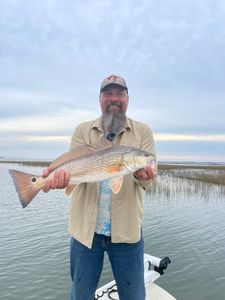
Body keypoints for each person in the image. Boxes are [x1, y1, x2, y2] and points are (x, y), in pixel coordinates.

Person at [42, 74, 157, 300]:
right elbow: (73, 167)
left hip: (127, 234)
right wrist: (59, 179)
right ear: (100, 99)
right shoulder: (82, 131)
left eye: (119, 93)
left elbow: (149, 179)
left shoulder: (143, 132)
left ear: (127, 98)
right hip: (86, 233)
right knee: (80, 294)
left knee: (134, 296)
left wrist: (144, 175)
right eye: (108, 93)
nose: (114, 98)